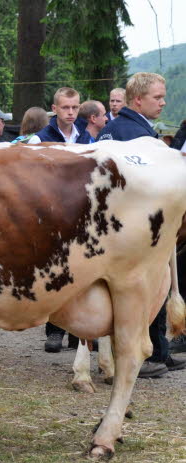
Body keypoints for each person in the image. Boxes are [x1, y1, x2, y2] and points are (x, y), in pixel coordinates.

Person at [97, 72, 186, 378]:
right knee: (142, 291)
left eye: (163, 97)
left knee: (154, 287)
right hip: (133, 226)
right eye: (158, 97)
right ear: (138, 100)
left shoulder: (118, 128)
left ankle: (159, 350)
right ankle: (142, 354)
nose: (163, 102)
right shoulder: (133, 134)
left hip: (129, 224)